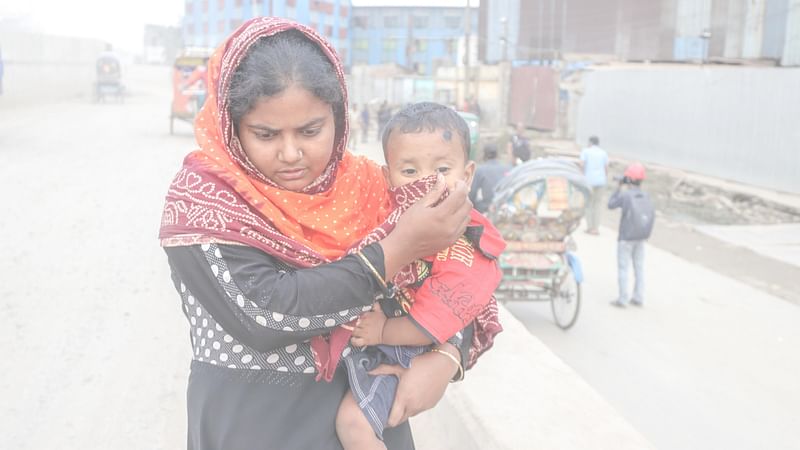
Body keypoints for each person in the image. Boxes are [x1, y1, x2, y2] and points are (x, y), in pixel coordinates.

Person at [159, 18, 500, 450]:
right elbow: (266, 314)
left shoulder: (372, 188)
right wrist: (397, 249)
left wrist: (447, 356)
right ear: (231, 125)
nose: (291, 153)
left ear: (338, 118)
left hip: (368, 422)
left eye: (310, 131)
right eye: (265, 134)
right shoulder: (205, 203)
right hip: (254, 428)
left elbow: (462, 269)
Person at [332, 102, 506, 449]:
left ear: (467, 174)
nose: (427, 182)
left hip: (407, 348)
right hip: (381, 341)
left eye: (443, 168)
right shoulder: (384, 214)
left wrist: (384, 330)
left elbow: (437, 320)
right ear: (387, 177)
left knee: (353, 424)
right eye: (409, 172)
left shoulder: (464, 243)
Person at [608, 162, 655, 308]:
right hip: (640, 237)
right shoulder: (646, 195)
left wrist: (618, 188)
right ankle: (638, 297)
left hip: (626, 237)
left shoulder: (626, 195)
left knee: (623, 268)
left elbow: (610, 205)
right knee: (639, 268)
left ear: (628, 179)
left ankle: (623, 299)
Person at [469, 143, 511, 214]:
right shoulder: (508, 168)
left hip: (488, 211)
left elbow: (471, 195)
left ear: (484, 155)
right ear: (498, 155)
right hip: (506, 209)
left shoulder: (480, 170)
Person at [579, 135, 609, 235]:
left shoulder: (586, 151)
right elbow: (606, 168)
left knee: (589, 204)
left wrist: (582, 176)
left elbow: (582, 165)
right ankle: (596, 228)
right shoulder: (603, 153)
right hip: (601, 181)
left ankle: (589, 227)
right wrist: (604, 178)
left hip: (589, 181)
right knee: (598, 204)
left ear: (590, 142)